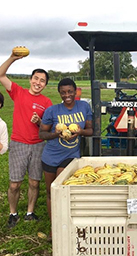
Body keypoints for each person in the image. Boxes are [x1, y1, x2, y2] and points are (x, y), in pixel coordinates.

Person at [0, 52, 52, 228]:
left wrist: (39, 123)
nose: (38, 83)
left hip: (38, 145)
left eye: (42, 80)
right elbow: (0, 75)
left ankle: (30, 212)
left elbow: (48, 129)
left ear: (45, 85)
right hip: (19, 143)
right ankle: (13, 214)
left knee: (34, 182)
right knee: (15, 184)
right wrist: (13, 58)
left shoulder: (47, 103)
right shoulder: (18, 92)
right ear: (30, 80)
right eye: (36, 79)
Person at [39, 78, 93, 237]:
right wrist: (56, 134)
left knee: (61, 189)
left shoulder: (83, 106)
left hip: (70, 156)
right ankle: (54, 228)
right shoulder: (52, 110)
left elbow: (91, 130)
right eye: (63, 92)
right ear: (59, 93)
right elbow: (42, 134)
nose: (67, 95)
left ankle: (67, 225)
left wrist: (80, 132)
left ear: (76, 91)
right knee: (50, 192)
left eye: (70, 91)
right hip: (50, 156)